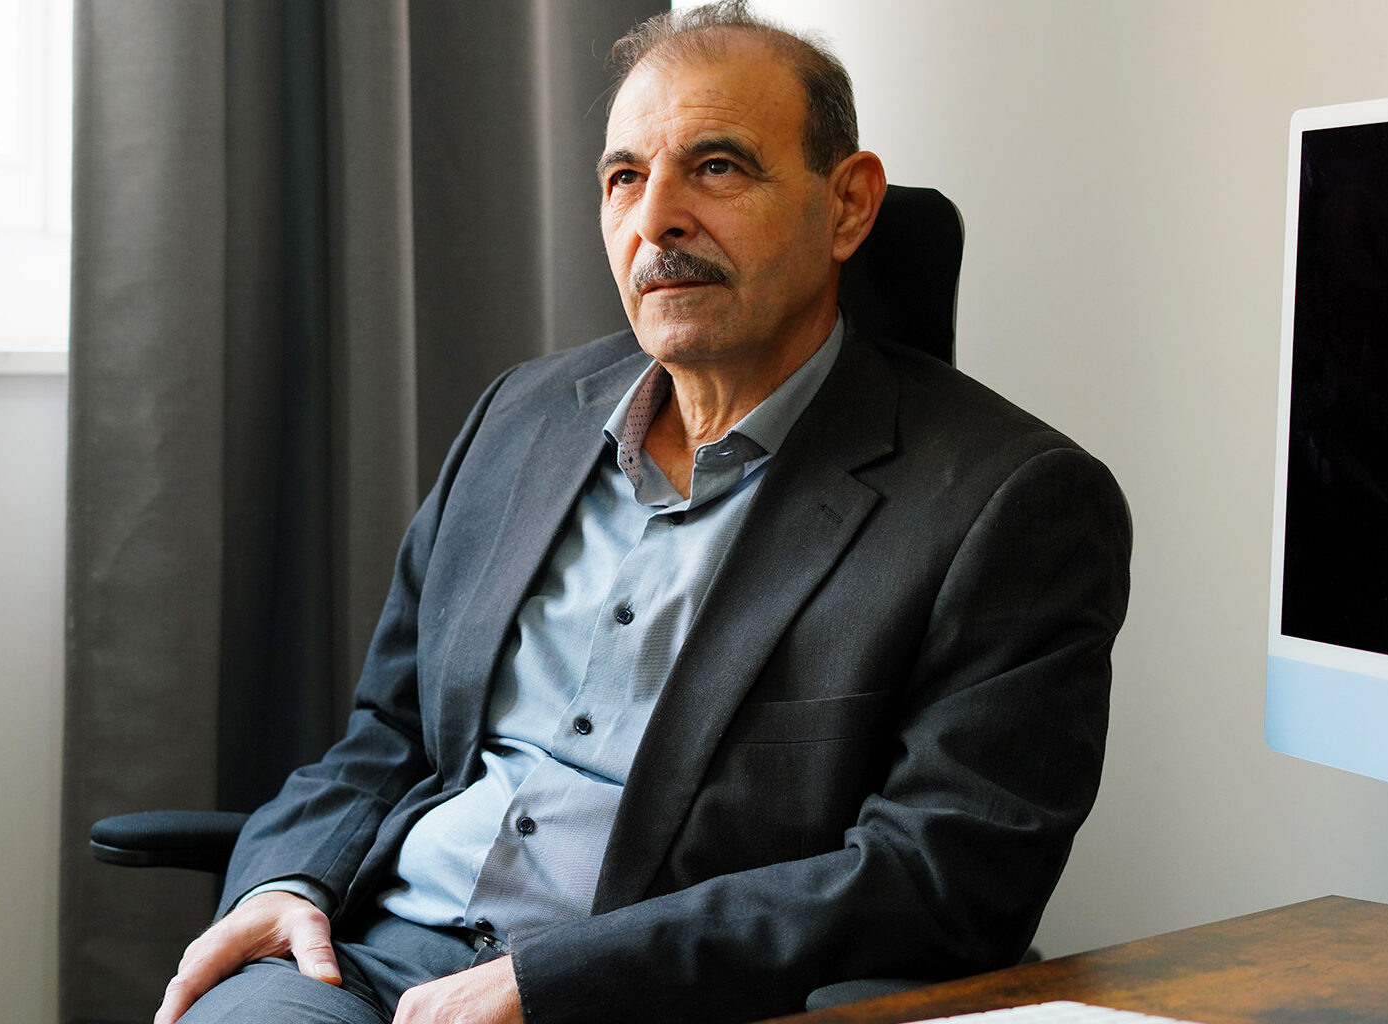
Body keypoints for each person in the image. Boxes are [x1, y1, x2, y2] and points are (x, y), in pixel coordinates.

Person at [156, 3, 1132, 1023]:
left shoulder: (1011, 503)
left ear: (847, 205)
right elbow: (388, 732)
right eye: (625, 176)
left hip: (652, 992)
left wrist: (555, 982)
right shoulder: (520, 417)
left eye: (715, 167)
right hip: (362, 959)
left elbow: (940, 875)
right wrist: (287, 879)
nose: (654, 218)